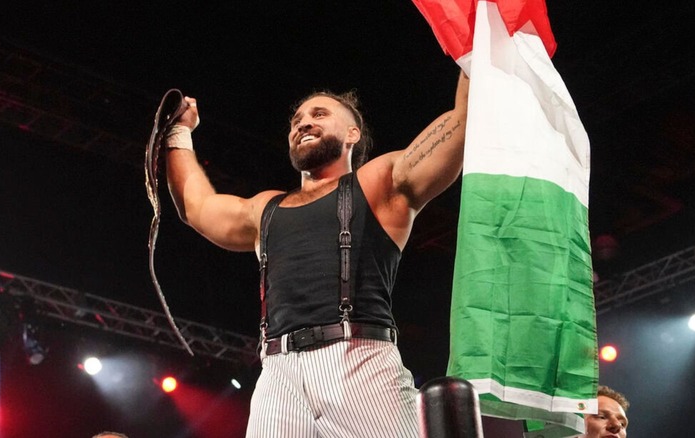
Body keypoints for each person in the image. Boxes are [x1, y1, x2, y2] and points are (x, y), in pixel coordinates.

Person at [164, 70, 468, 438]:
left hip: (360, 361)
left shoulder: (377, 182)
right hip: (278, 371)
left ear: (352, 134)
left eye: (320, 114)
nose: (304, 123)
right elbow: (197, 207)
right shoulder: (265, 209)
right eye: (296, 121)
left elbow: (461, 122)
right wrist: (178, 132)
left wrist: (476, 47)